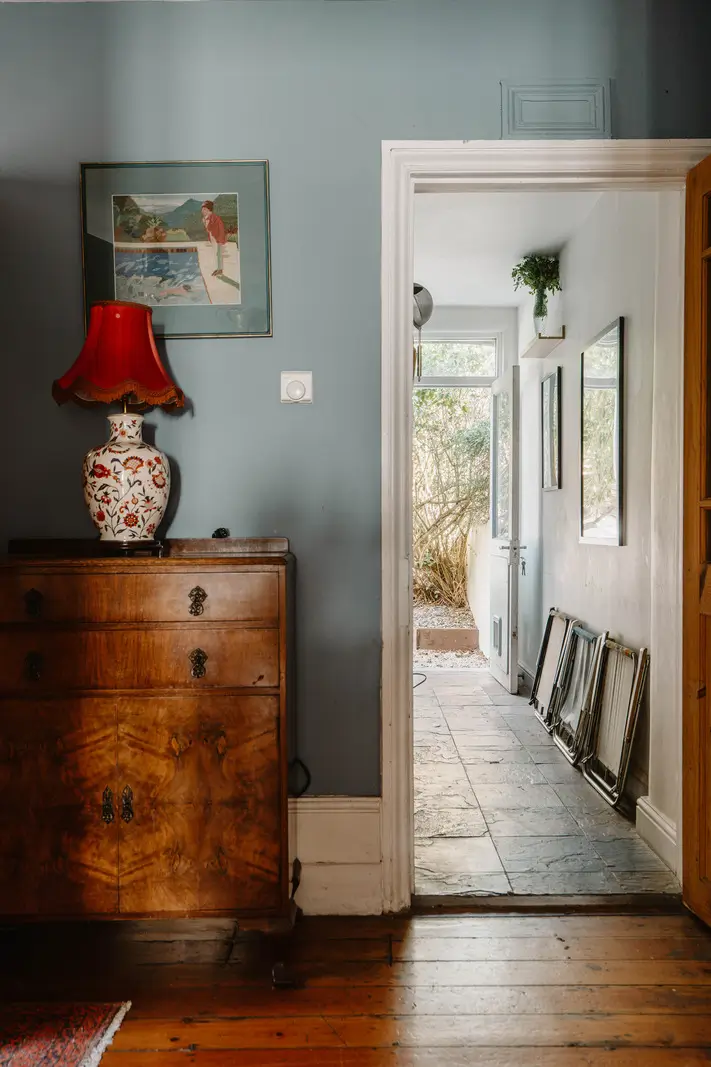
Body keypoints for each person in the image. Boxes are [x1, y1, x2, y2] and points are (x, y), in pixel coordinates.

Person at [201, 200, 227, 277]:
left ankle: (220, 270)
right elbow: (209, 230)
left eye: (205, 209)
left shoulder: (215, 218)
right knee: (216, 254)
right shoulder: (206, 218)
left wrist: (220, 240)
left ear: (209, 210)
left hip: (218, 238)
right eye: (202, 209)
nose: (202, 211)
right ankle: (218, 268)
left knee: (218, 254)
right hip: (213, 238)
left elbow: (220, 229)